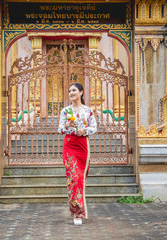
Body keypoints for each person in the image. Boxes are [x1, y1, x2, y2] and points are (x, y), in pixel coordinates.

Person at [58, 83, 97, 226]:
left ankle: (78, 209)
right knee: (73, 177)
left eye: (74, 90)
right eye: (69, 91)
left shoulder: (88, 111)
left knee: (80, 178)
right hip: (69, 145)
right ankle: (77, 213)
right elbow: (60, 129)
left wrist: (84, 131)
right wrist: (67, 126)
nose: (71, 93)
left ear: (81, 92)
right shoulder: (65, 111)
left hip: (83, 146)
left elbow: (94, 128)